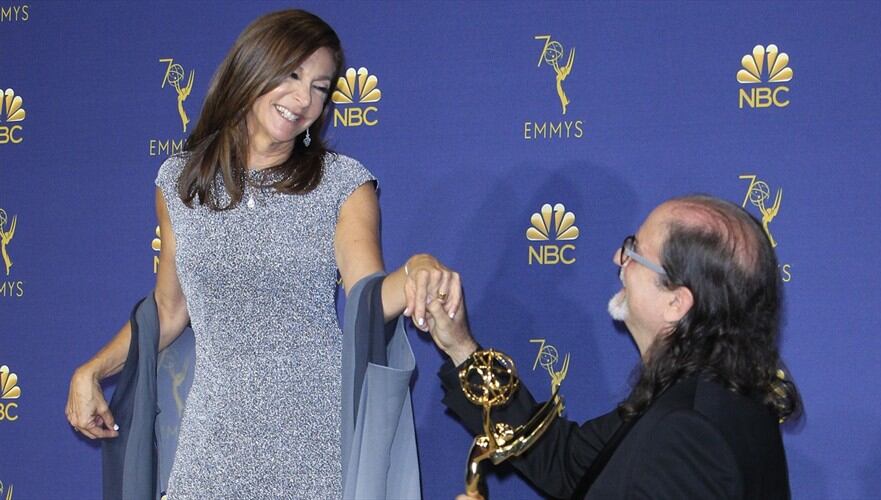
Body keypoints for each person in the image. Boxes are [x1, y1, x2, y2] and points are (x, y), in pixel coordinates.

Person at [65, 9, 460, 498]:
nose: (303, 99)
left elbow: (368, 299)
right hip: (211, 446)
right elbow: (169, 309)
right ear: (251, 69)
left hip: (314, 444)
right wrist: (92, 370)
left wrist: (418, 269)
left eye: (320, 87)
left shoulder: (342, 183)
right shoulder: (179, 182)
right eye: (292, 75)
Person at [424, 195, 801, 499]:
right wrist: (461, 348)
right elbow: (567, 462)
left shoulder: (688, 431)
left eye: (634, 251)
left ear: (676, 302)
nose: (618, 259)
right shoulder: (698, 396)